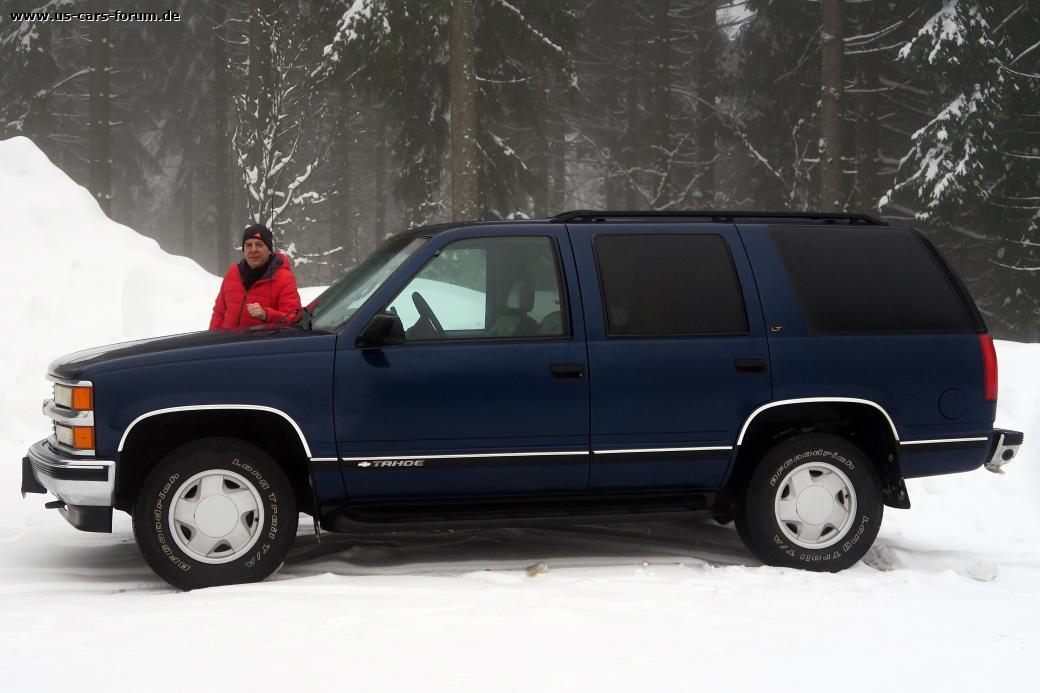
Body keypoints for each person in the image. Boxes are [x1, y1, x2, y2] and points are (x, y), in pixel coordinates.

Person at [209, 223, 302, 329]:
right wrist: (212, 339)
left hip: (259, 344)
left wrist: (266, 314)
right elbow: (219, 313)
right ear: (243, 250)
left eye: (259, 244)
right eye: (248, 245)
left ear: (269, 249)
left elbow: (294, 320)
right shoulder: (233, 272)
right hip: (227, 343)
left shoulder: (284, 278)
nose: (253, 250)